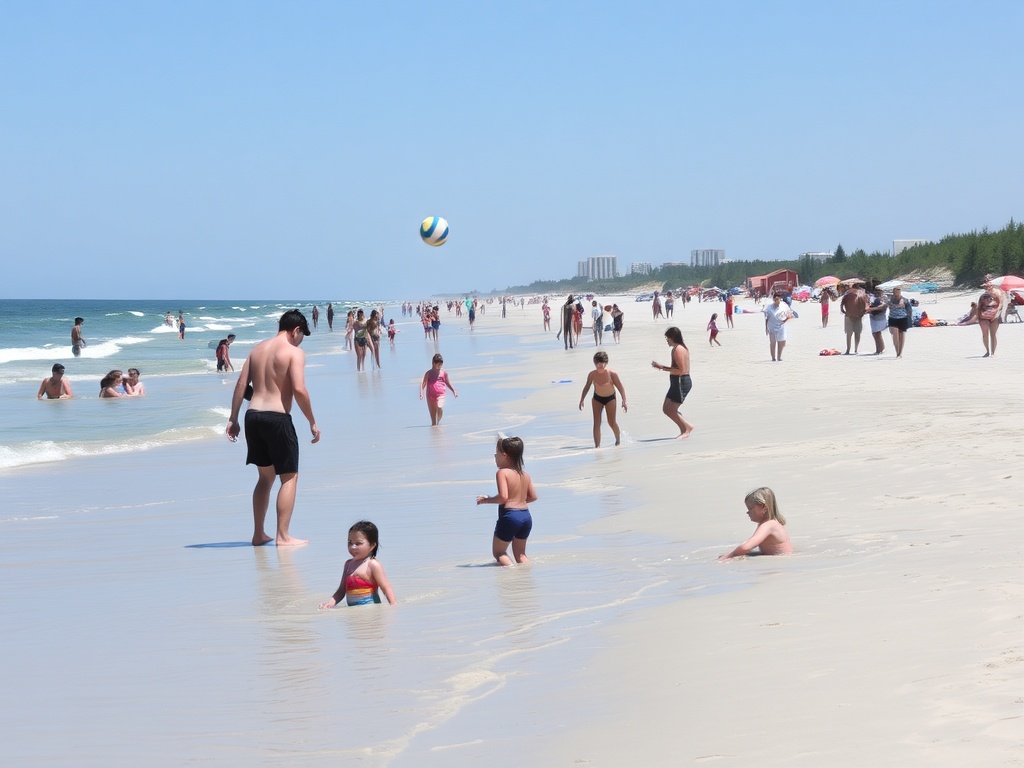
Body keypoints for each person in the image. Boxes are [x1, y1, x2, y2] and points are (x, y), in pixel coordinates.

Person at [226, 309, 319, 547]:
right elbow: (299, 389)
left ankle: (258, 534)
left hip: (252, 417)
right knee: (289, 478)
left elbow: (240, 385)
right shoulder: (293, 352)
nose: (300, 340)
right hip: (277, 418)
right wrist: (312, 420)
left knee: (264, 478)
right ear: (296, 330)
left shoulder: (257, 349)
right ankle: (283, 536)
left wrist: (233, 418)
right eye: (301, 335)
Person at [476, 436, 537, 566]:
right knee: (521, 555)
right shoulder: (525, 474)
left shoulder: (502, 473)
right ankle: (526, 575)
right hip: (526, 517)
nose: (495, 457)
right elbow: (532, 497)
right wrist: (518, 499)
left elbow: (503, 497)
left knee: (499, 553)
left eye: (496, 454)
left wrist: (486, 500)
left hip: (510, 516)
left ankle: (511, 576)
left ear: (504, 455)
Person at [319, 521, 396, 608]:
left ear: (372, 545)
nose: (352, 547)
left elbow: (386, 588)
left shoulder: (372, 564)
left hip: (372, 613)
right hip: (354, 616)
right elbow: (341, 590)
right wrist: (330, 604)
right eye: (350, 542)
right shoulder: (348, 565)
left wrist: (393, 606)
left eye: (358, 543)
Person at [718, 487, 792, 560]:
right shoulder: (772, 523)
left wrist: (726, 558)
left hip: (778, 564)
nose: (747, 512)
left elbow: (745, 547)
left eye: (750, 508)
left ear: (764, 507)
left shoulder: (768, 525)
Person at [651, 327, 694, 439]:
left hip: (681, 381)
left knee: (670, 410)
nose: (667, 340)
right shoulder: (677, 348)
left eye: (668, 338)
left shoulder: (678, 349)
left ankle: (686, 429)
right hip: (676, 382)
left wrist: (661, 367)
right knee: (666, 409)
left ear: (673, 337)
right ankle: (684, 428)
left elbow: (680, 369)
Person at [578, 351, 627, 447]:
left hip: (610, 398)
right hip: (597, 398)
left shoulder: (612, 374)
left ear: (606, 363)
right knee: (597, 423)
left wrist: (624, 400)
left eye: (602, 363)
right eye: (597, 363)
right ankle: (597, 446)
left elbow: (620, 387)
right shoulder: (592, 374)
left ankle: (618, 440)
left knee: (611, 422)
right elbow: (586, 387)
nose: (599, 365)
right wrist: (582, 400)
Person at [419, 353, 458, 426]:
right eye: (438, 364)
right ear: (433, 363)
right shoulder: (428, 373)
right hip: (430, 396)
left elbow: (447, 383)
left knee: (439, 407)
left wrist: (454, 391)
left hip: (441, 394)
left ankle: (438, 421)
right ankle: (435, 432)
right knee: (433, 420)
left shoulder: (444, 373)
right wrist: (421, 394)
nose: (440, 366)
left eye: (441, 364)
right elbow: (423, 384)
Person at [763, 293, 792, 362]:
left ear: (780, 299)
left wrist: (786, 319)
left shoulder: (784, 306)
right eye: (775, 299)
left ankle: (779, 357)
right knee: (773, 342)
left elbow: (789, 314)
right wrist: (766, 328)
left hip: (781, 326)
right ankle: (773, 358)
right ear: (773, 299)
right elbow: (766, 318)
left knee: (782, 342)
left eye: (778, 299)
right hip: (772, 326)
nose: (777, 301)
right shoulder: (769, 308)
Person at [886, 286, 913, 359]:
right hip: (892, 318)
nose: (897, 292)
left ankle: (900, 353)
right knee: (895, 335)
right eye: (896, 291)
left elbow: (909, 310)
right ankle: (897, 352)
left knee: (901, 335)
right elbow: (887, 305)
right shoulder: (889, 299)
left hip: (903, 318)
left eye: (899, 291)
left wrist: (910, 320)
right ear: (893, 291)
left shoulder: (904, 299)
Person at [840, 285, 868, 354]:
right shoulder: (862, 295)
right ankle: (855, 349)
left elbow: (841, 305)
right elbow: (866, 307)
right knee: (857, 333)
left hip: (849, 316)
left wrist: (845, 312)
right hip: (857, 316)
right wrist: (861, 314)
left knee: (849, 334)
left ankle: (848, 349)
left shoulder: (847, 294)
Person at [977, 283, 1003, 357]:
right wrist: (978, 317)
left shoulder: (997, 295)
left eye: (989, 287)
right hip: (983, 317)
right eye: (986, 287)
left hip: (994, 317)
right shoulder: (982, 297)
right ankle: (987, 351)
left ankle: (993, 352)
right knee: (985, 334)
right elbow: (979, 307)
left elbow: (1000, 306)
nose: (988, 288)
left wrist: (999, 315)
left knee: (993, 335)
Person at [866, 288, 888, 355]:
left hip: (880, 318)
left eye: (878, 291)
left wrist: (870, 309)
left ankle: (881, 349)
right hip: (873, 317)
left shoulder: (884, 297)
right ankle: (878, 349)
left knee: (877, 333)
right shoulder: (872, 297)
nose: (876, 292)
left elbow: (882, 307)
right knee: (874, 333)